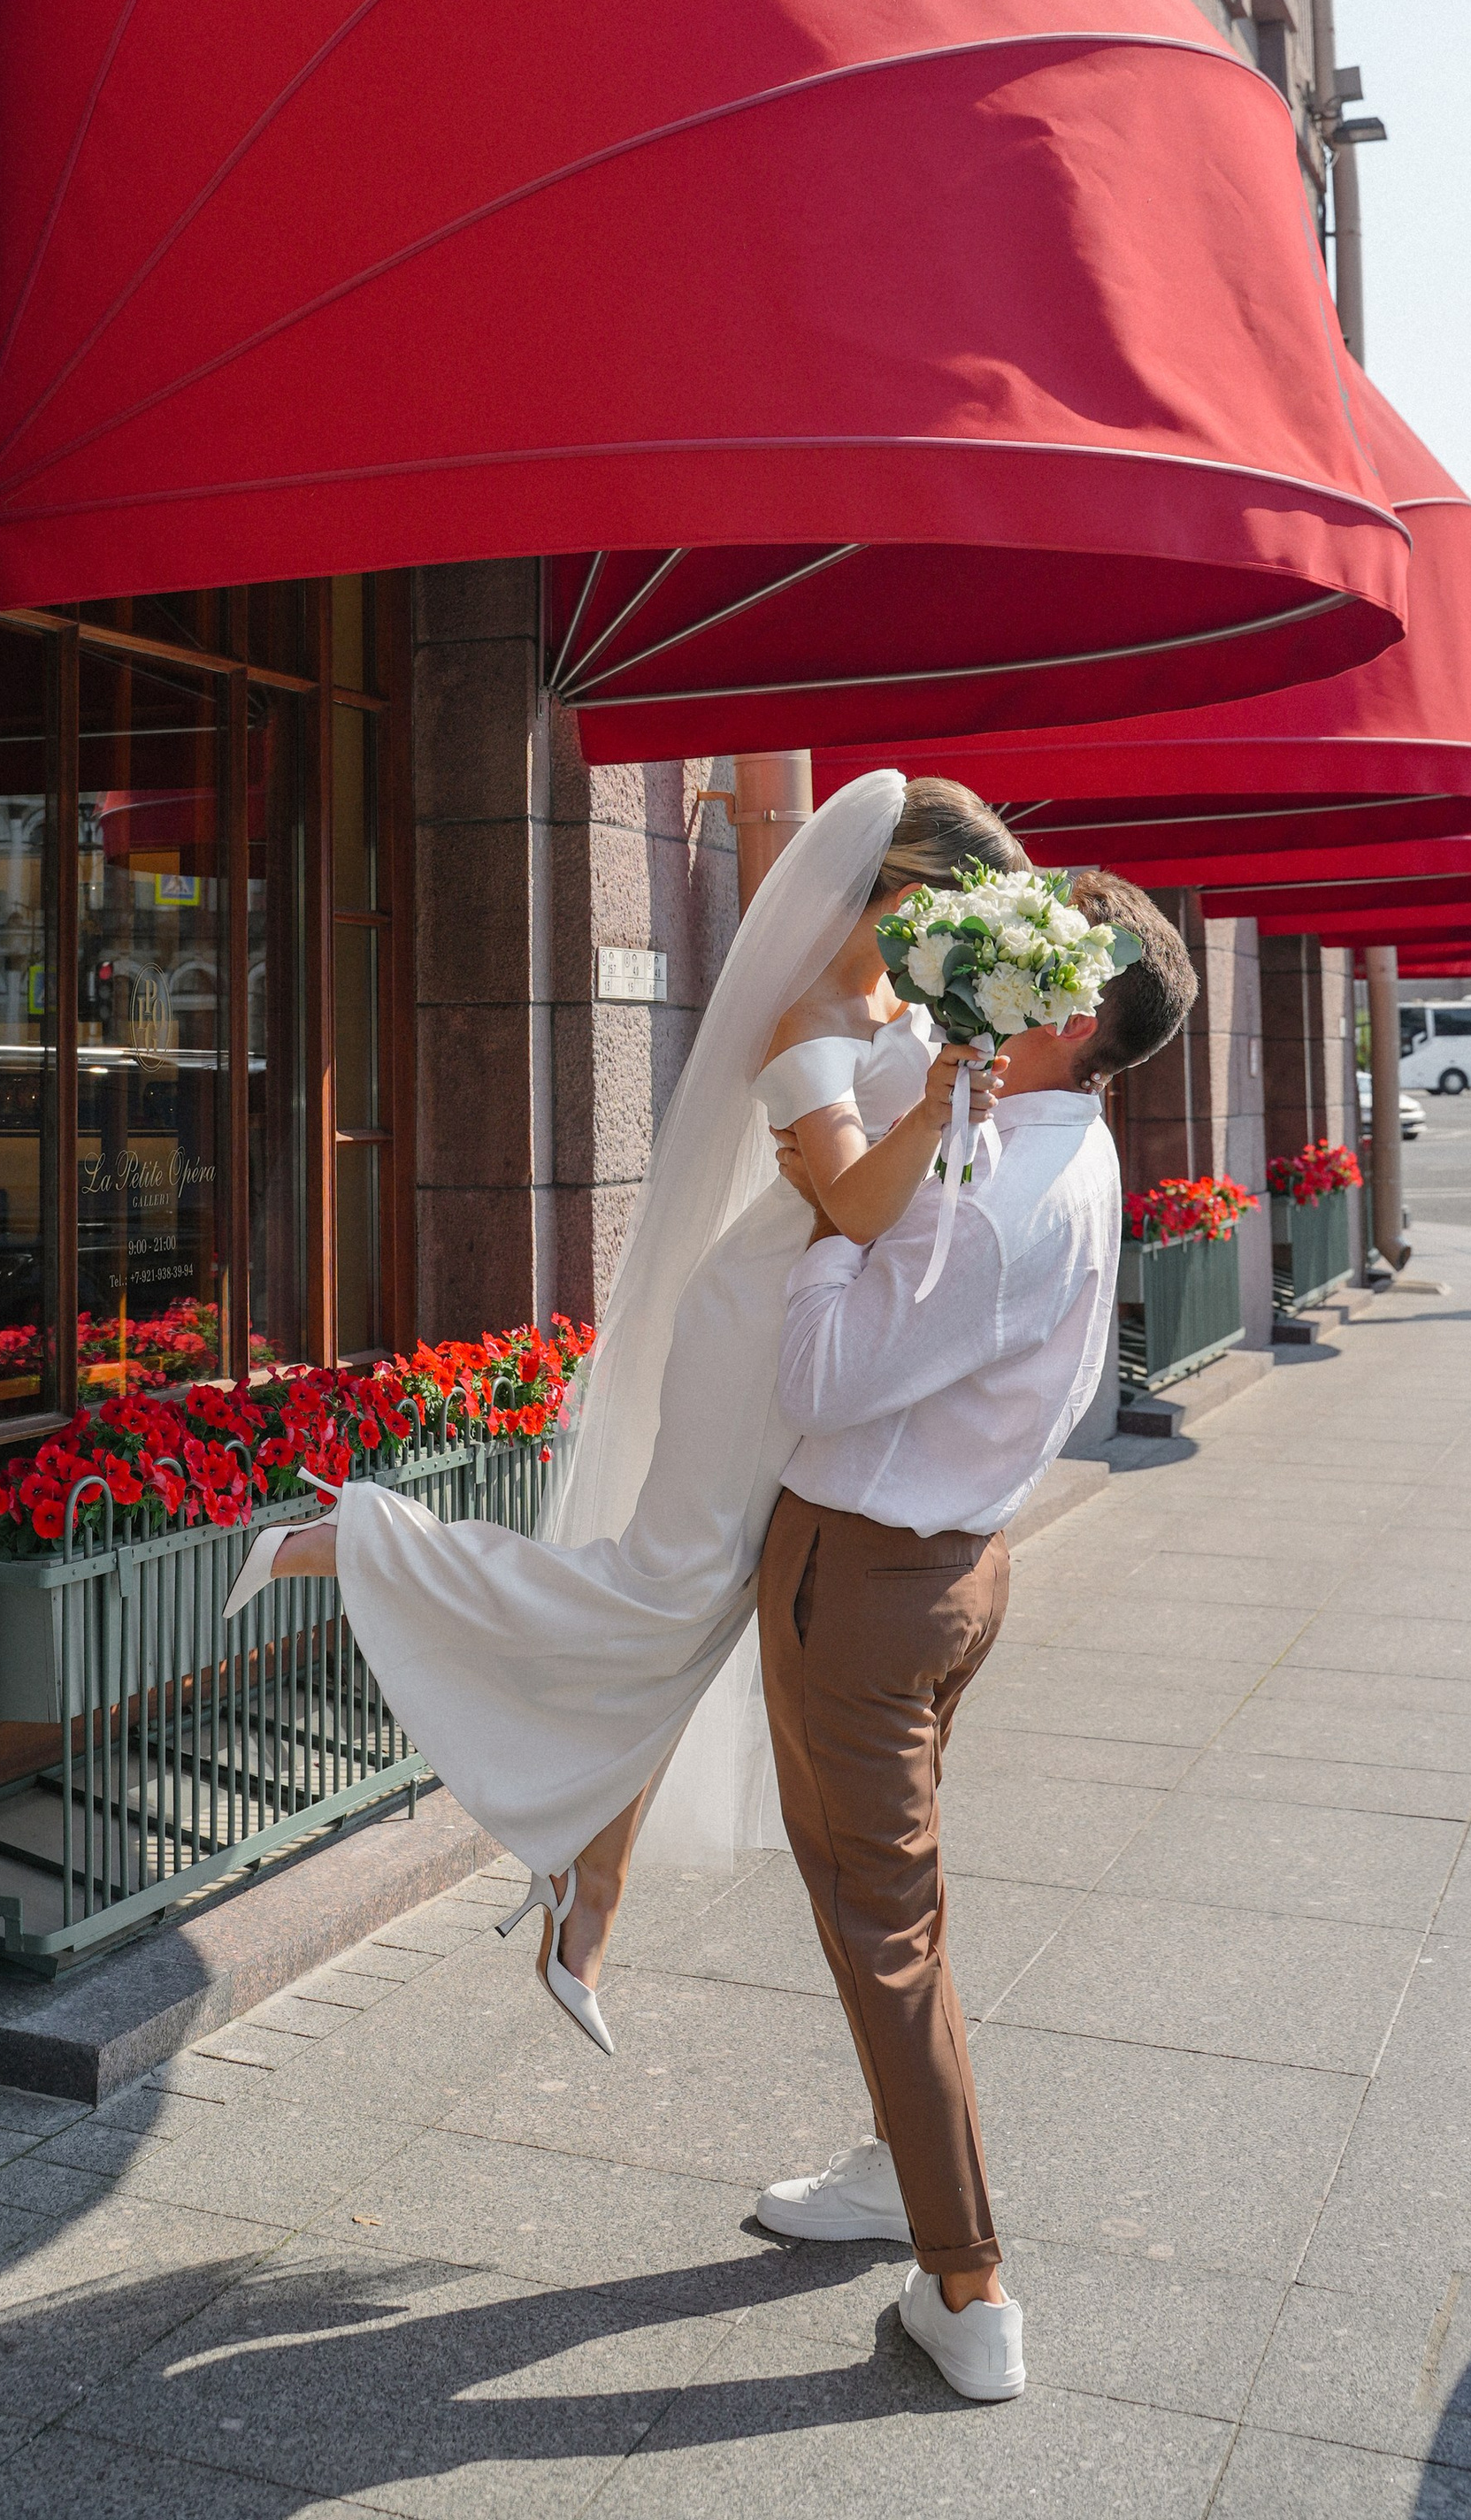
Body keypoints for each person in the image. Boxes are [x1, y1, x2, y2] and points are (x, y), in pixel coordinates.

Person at [221, 770, 1027, 2052]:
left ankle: (586, 1884)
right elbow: (862, 1208)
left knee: (697, 1610)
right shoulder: (810, 1019)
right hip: (757, 1327)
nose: (967, 939)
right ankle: (359, 1541)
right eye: (959, 909)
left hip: (814, 1332)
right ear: (901, 888)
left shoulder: (900, 999)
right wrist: (936, 1108)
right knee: (662, 1593)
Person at [752, 870, 1198, 2404]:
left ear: (1068, 1016)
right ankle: (899, 2169)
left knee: (888, 1934)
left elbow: (819, 1374)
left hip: (867, 1578)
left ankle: (972, 2285)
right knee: (884, 1907)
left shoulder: (1000, 1190)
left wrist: (830, 1216)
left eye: (1025, 953)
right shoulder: (1053, 1146)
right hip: (945, 1566)